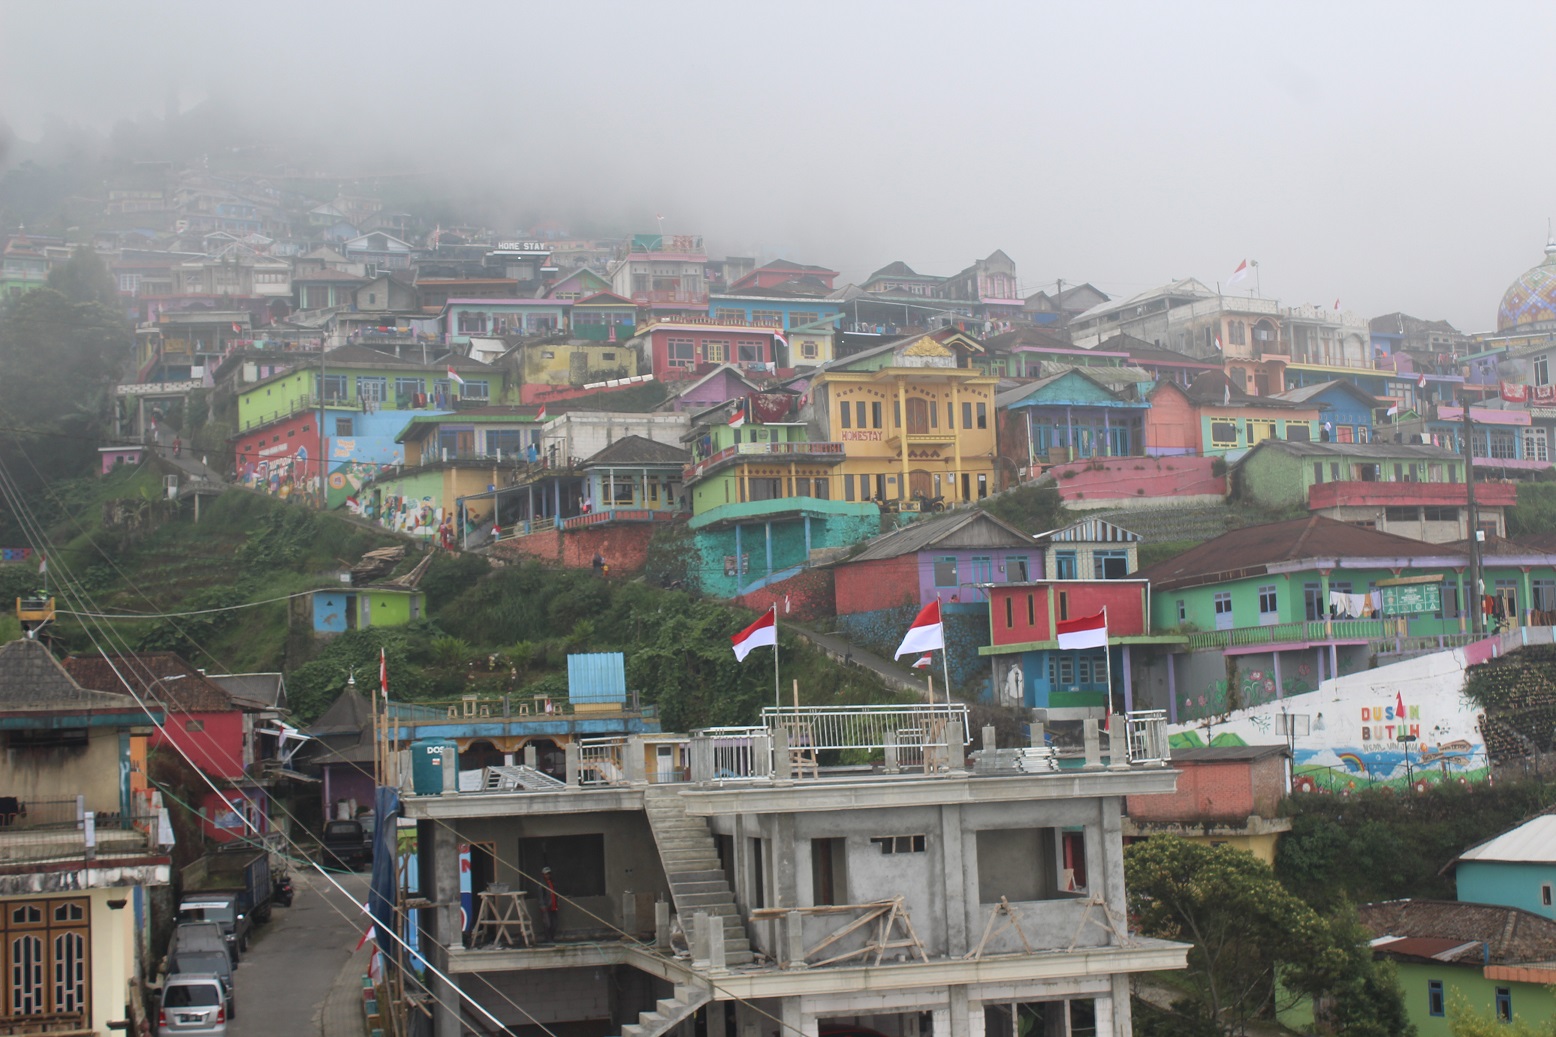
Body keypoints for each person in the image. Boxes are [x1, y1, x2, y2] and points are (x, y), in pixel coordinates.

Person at [540, 866, 559, 942]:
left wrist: (557, 902)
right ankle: (548, 939)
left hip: (554, 906)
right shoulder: (541, 884)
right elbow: (540, 896)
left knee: (554, 924)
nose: (548, 875)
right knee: (548, 924)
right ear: (543, 875)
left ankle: (552, 938)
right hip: (546, 907)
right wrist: (542, 906)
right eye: (546, 874)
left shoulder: (552, 883)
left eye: (549, 874)